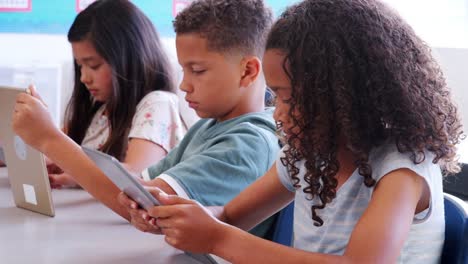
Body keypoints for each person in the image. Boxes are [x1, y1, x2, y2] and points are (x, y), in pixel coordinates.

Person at [119, 0, 464, 263]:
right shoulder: (306, 156)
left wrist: (217, 239)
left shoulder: (400, 168)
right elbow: (230, 216)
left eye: (289, 97)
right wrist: (174, 214)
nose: (278, 113)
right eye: (275, 94)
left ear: (346, 94)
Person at [13, 0, 279, 236]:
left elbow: (144, 207)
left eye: (197, 70)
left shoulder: (246, 145)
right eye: (185, 70)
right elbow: (139, 191)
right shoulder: (209, 127)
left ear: (247, 72)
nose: (184, 84)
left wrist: (50, 139)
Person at [43, 0, 185, 188]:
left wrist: (77, 175)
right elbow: (57, 149)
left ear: (129, 58)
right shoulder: (99, 110)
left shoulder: (157, 103)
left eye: (94, 65)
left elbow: (137, 173)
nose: (84, 77)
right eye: (80, 66)